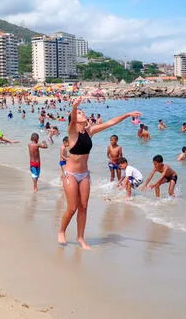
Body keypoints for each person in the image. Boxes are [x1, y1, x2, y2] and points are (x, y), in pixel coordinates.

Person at [58, 98, 141, 249]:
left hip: (84, 175)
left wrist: (127, 114)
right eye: (79, 113)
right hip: (70, 174)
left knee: (83, 206)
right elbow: (71, 122)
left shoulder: (89, 132)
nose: (82, 113)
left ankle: (81, 238)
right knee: (72, 207)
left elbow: (110, 123)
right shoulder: (72, 133)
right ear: (74, 119)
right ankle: (62, 231)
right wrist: (75, 106)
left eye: (82, 112)